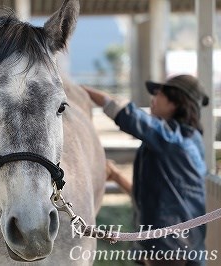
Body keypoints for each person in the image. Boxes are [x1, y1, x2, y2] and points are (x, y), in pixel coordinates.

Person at [83, 74, 209, 266]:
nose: (153, 98)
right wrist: (116, 176)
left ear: (176, 102)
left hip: (170, 249)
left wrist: (82, 91)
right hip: (175, 248)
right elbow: (152, 198)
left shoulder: (172, 140)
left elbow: (128, 114)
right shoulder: (185, 141)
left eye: (159, 93)